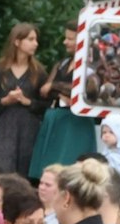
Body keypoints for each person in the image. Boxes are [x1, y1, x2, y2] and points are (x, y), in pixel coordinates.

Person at [30, 27, 97, 174]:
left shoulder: (91, 67)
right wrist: (63, 91)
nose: (65, 42)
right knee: (49, 171)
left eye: (70, 38)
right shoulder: (62, 64)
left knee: (70, 170)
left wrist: (56, 85)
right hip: (56, 119)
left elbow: (89, 93)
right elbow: (44, 91)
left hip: (76, 124)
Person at [0, 22, 45, 177]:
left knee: (25, 173)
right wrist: (6, 100)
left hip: (29, 129)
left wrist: (28, 102)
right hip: (5, 127)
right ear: (17, 42)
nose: (35, 44)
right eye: (30, 39)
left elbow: (46, 104)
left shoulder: (39, 72)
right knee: (1, 172)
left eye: (36, 40)